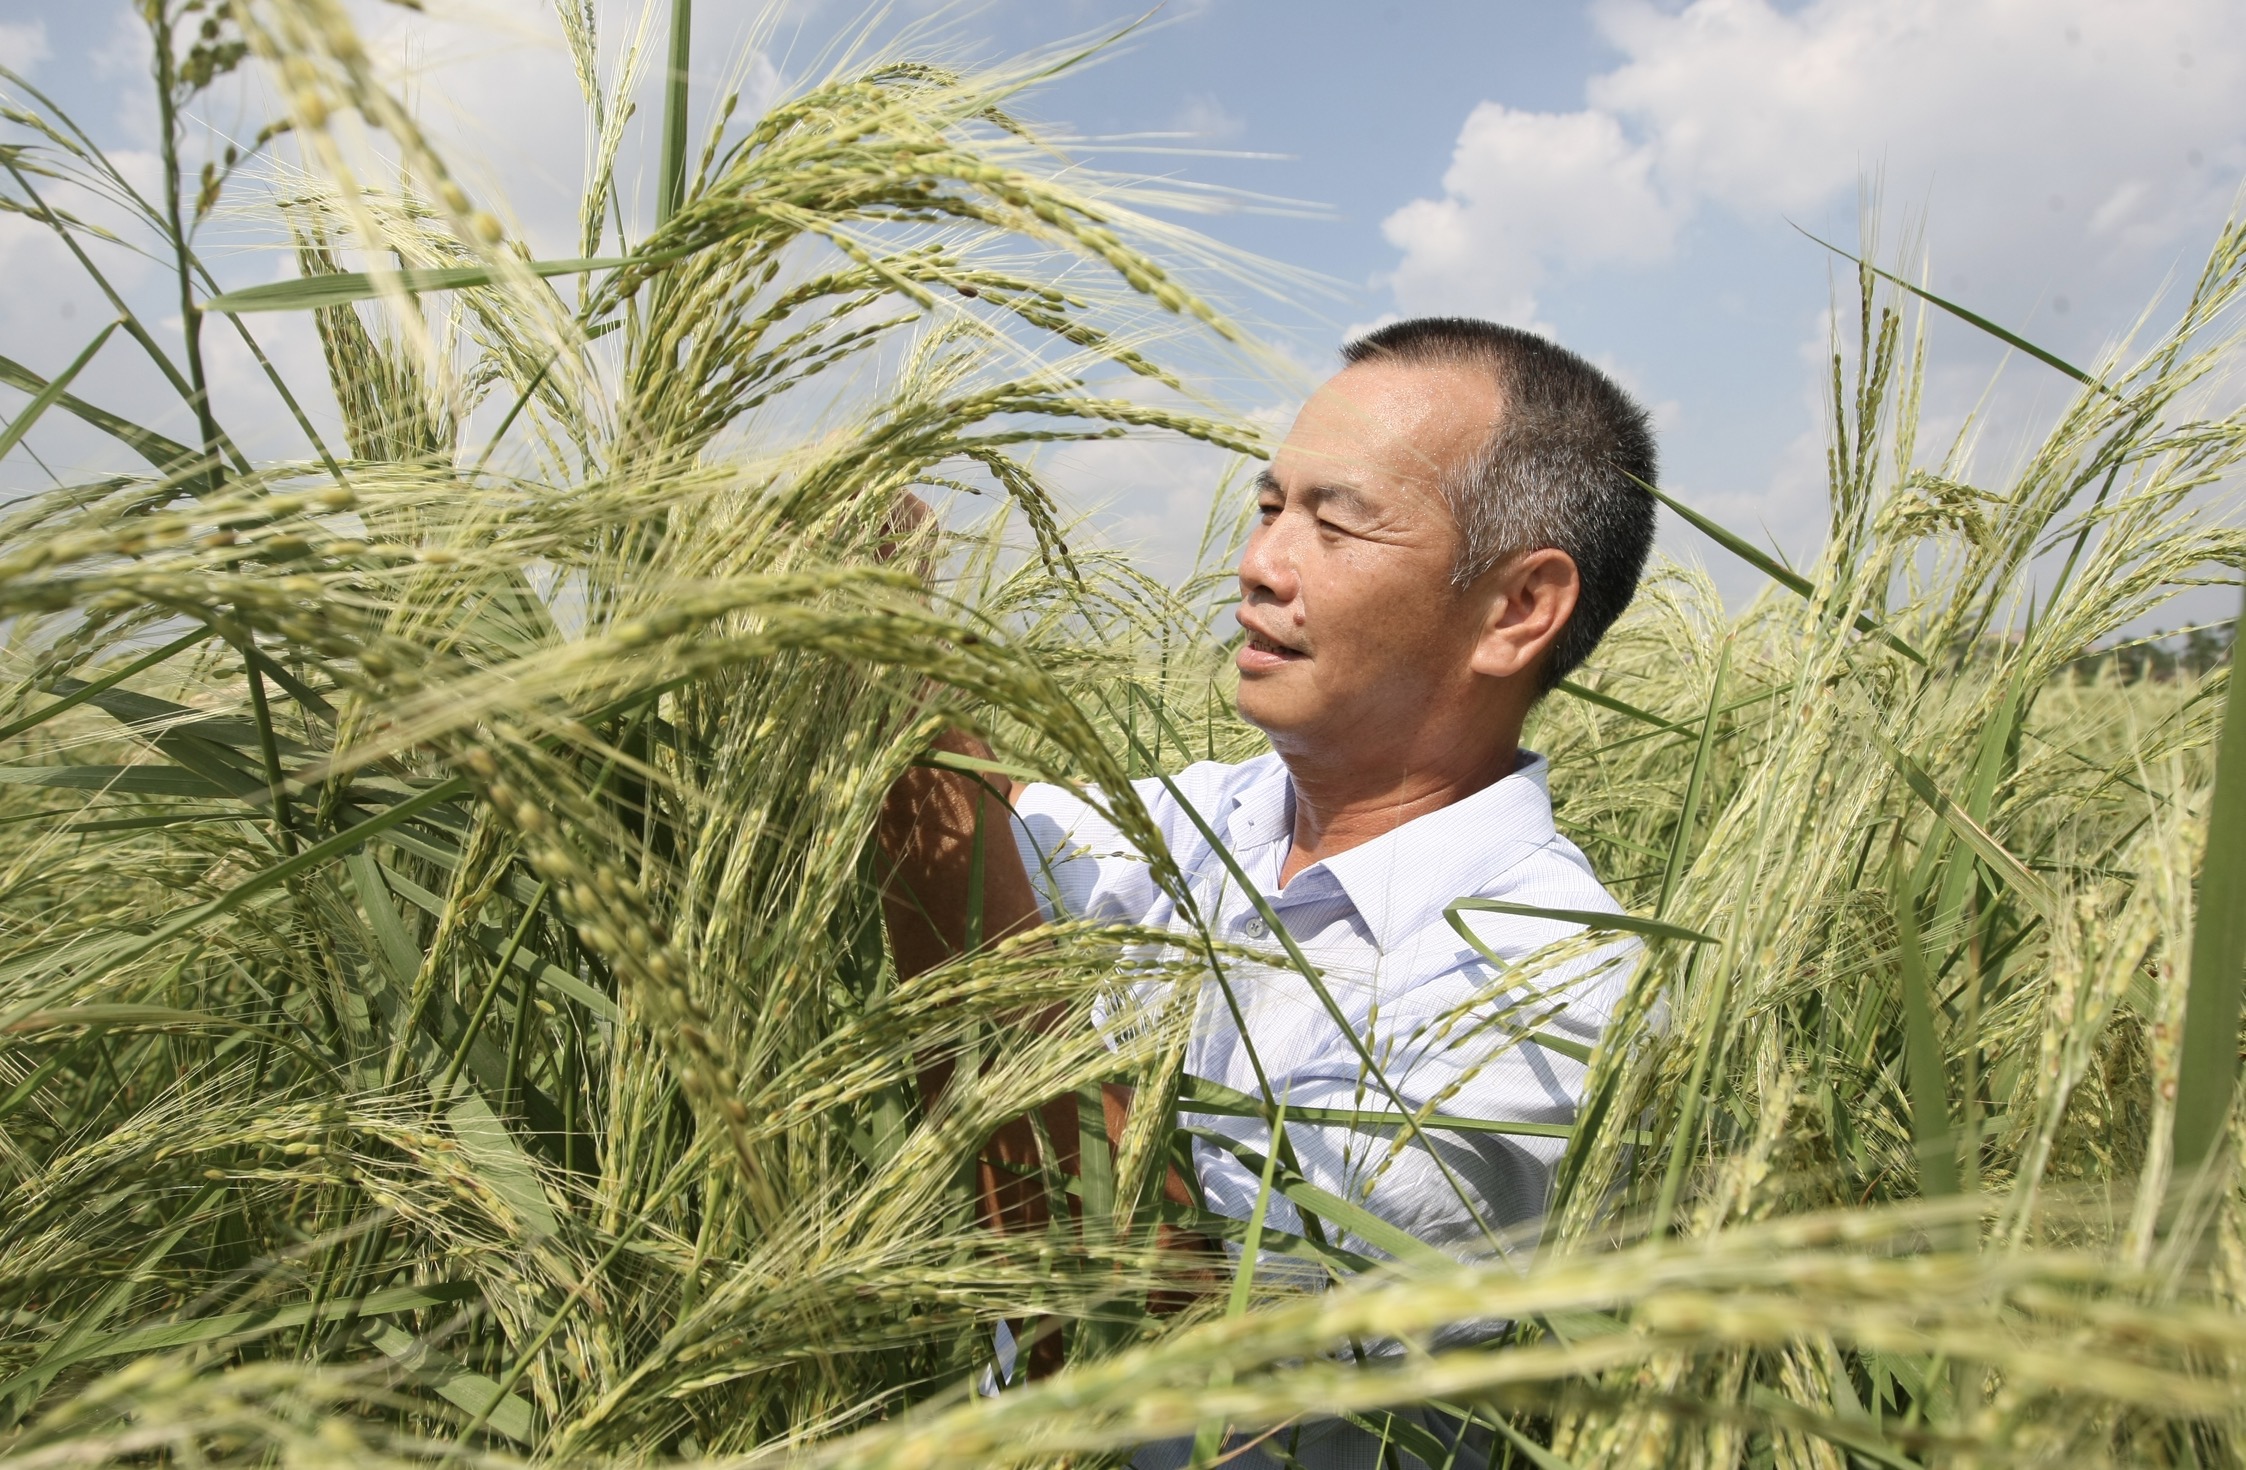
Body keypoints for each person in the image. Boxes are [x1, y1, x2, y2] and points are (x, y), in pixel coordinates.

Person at [877, 316, 1657, 1467]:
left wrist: (898, 693)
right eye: (1267, 506)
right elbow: (977, 849)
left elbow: (1171, 1363)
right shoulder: (1208, 817)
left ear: (1515, 610)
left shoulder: (1551, 991)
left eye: (1334, 521)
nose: (1260, 563)